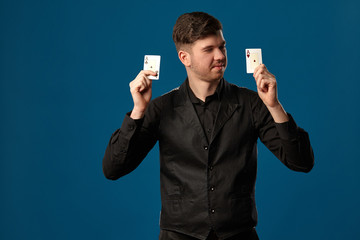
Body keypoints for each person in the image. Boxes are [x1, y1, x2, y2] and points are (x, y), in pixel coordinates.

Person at [102, 12, 314, 240]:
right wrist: (138, 112)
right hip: (179, 235)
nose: (220, 56)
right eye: (209, 49)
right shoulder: (160, 108)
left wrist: (274, 106)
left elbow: (301, 162)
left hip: (238, 234)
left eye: (222, 47)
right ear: (185, 58)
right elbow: (113, 169)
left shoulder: (253, 103)